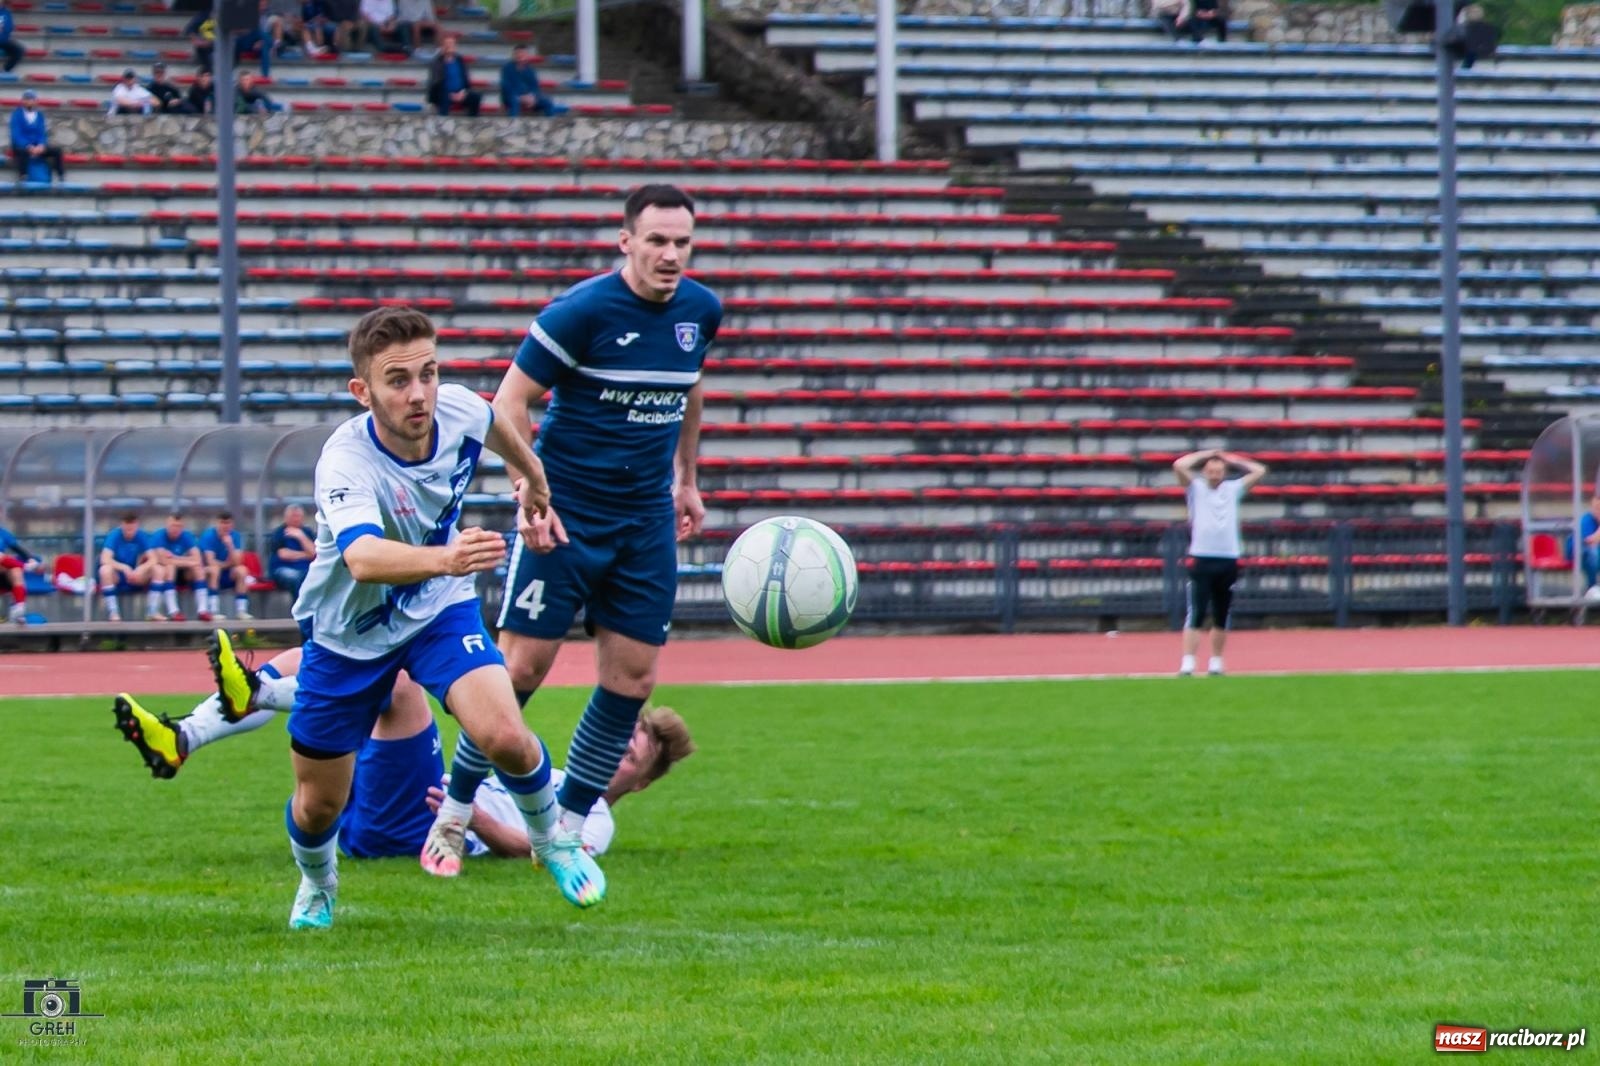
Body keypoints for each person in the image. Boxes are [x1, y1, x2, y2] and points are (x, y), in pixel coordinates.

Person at [213, 304, 602, 930]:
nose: (419, 393)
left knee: (502, 733)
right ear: (362, 391)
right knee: (318, 808)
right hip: (348, 635)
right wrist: (448, 557)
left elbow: (502, 427)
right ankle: (319, 882)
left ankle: (551, 841)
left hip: (436, 609)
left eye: (428, 372)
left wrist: (534, 482)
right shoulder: (345, 462)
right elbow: (363, 559)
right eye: (398, 380)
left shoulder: (457, 408)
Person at [422, 184, 720, 882]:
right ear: (626, 241)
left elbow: (690, 388)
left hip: (644, 519)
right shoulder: (583, 311)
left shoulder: (701, 312)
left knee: (633, 678)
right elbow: (510, 400)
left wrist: (687, 479)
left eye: (681, 242)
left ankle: (567, 828)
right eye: (656, 241)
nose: (670, 254)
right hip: (568, 513)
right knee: (519, 670)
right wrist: (529, 485)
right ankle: (456, 810)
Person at [111, 641, 696, 863]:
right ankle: (185, 735)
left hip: (420, 821)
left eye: (629, 756)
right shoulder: (557, 772)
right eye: (620, 739)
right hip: (409, 797)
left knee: (396, 683)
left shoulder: (597, 820)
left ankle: (257, 695)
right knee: (318, 655)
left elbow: (534, 849)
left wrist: (472, 814)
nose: (614, 750)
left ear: (640, 782)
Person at [1172, 448, 1268, 676]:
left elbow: (1259, 470)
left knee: (1221, 613)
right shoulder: (1196, 488)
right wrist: (1206, 454)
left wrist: (1231, 459)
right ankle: (1189, 662)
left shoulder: (1233, 489)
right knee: (1196, 611)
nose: (1215, 473)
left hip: (1228, 557)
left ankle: (1216, 661)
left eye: (1219, 469)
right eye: (1211, 469)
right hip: (1202, 556)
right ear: (1204, 471)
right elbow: (1179, 465)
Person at [98, 512, 159, 622]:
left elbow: (153, 559)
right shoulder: (114, 535)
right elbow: (105, 558)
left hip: (135, 575)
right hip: (118, 576)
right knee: (104, 570)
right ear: (122, 526)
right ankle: (113, 612)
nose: (129, 533)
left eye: (132, 530)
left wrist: (141, 569)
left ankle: (152, 611)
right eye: (126, 530)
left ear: (136, 525)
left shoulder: (141, 535)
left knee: (158, 569)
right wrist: (123, 567)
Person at [150, 511, 203, 622]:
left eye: (179, 526)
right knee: (169, 567)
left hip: (184, 572)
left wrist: (174, 557)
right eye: (173, 526)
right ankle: (173, 611)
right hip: (165, 574)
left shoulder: (187, 536)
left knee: (198, 569)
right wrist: (188, 561)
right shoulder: (159, 536)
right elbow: (163, 560)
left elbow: (197, 559)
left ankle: (203, 610)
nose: (176, 529)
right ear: (167, 525)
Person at [10, 90, 65, 183]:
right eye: (27, 99)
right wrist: (28, 146)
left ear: (36, 101)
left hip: (37, 146)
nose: (29, 102)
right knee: (23, 153)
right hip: (22, 146)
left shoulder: (39, 115)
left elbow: (42, 133)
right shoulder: (17, 115)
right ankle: (23, 176)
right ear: (23, 101)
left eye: (31, 99)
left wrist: (41, 145)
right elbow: (16, 134)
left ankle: (61, 176)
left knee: (57, 151)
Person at [499, 44, 563, 117]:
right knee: (514, 101)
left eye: (523, 54)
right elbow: (506, 87)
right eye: (518, 53)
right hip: (513, 96)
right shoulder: (507, 69)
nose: (520, 56)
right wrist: (521, 97)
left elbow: (535, 87)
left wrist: (532, 96)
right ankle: (513, 125)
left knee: (547, 102)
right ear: (514, 55)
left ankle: (552, 124)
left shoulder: (530, 70)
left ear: (527, 56)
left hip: (528, 97)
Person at [267, 503, 316, 599]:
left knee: (314, 578)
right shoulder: (279, 533)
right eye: (293, 516)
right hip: (283, 569)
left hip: (306, 569)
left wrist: (301, 537)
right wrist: (306, 554)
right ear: (286, 517)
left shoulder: (308, 532)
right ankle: (298, 610)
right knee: (297, 578)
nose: (296, 519)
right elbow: (283, 554)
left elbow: (314, 552)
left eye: (298, 516)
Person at [425, 34, 480, 116]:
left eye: (452, 44)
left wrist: (463, 92)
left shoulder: (459, 61)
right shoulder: (437, 62)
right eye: (447, 44)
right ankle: (442, 121)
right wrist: (450, 94)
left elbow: (465, 80)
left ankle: (472, 123)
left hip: (460, 93)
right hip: (443, 92)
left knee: (475, 96)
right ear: (442, 47)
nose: (450, 47)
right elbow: (436, 82)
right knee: (443, 96)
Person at [0, 521, 41, 625]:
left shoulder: (3, 533)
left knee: (15, 570)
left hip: (2, 573)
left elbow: (19, 550)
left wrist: (31, 559)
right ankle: (24, 567)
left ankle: (19, 610)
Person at [0, 0, 23, 74]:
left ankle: (5, 70)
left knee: (19, 50)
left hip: (3, 40)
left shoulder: (6, 12)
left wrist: (3, 28)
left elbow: (10, 27)